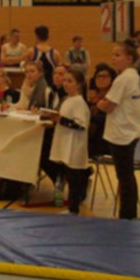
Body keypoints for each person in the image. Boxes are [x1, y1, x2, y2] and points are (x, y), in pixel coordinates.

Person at [99, 41, 140, 220]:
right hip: (129, 132)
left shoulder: (124, 78)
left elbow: (108, 106)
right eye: (113, 55)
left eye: (118, 55)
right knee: (126, 176)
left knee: (125, 177)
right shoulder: (132, 76)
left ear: (129, 58)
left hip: (122, 134)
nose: (113, 58)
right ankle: (128, 213)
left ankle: (127, 214)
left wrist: (100, 103)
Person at [44, 66, 91, 214]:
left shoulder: (79, 102)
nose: (65, 84)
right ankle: (72, 208)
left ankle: (74, 208)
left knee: (74, 178)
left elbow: (81, 124)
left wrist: (61, 119)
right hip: (66, 142)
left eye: (70, 81)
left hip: (74, 145)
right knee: (70, 175)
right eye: (64, 80)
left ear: (79, 84)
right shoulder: (67, 99)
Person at [86, 63, 115, 156]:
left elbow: (108, 119)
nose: (101, 79)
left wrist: (87, 117)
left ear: (112, 79)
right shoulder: (94, 98)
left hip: (106, 141)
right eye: (98, 76)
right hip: (93, 140)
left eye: (105, 76)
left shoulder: (113, 98)